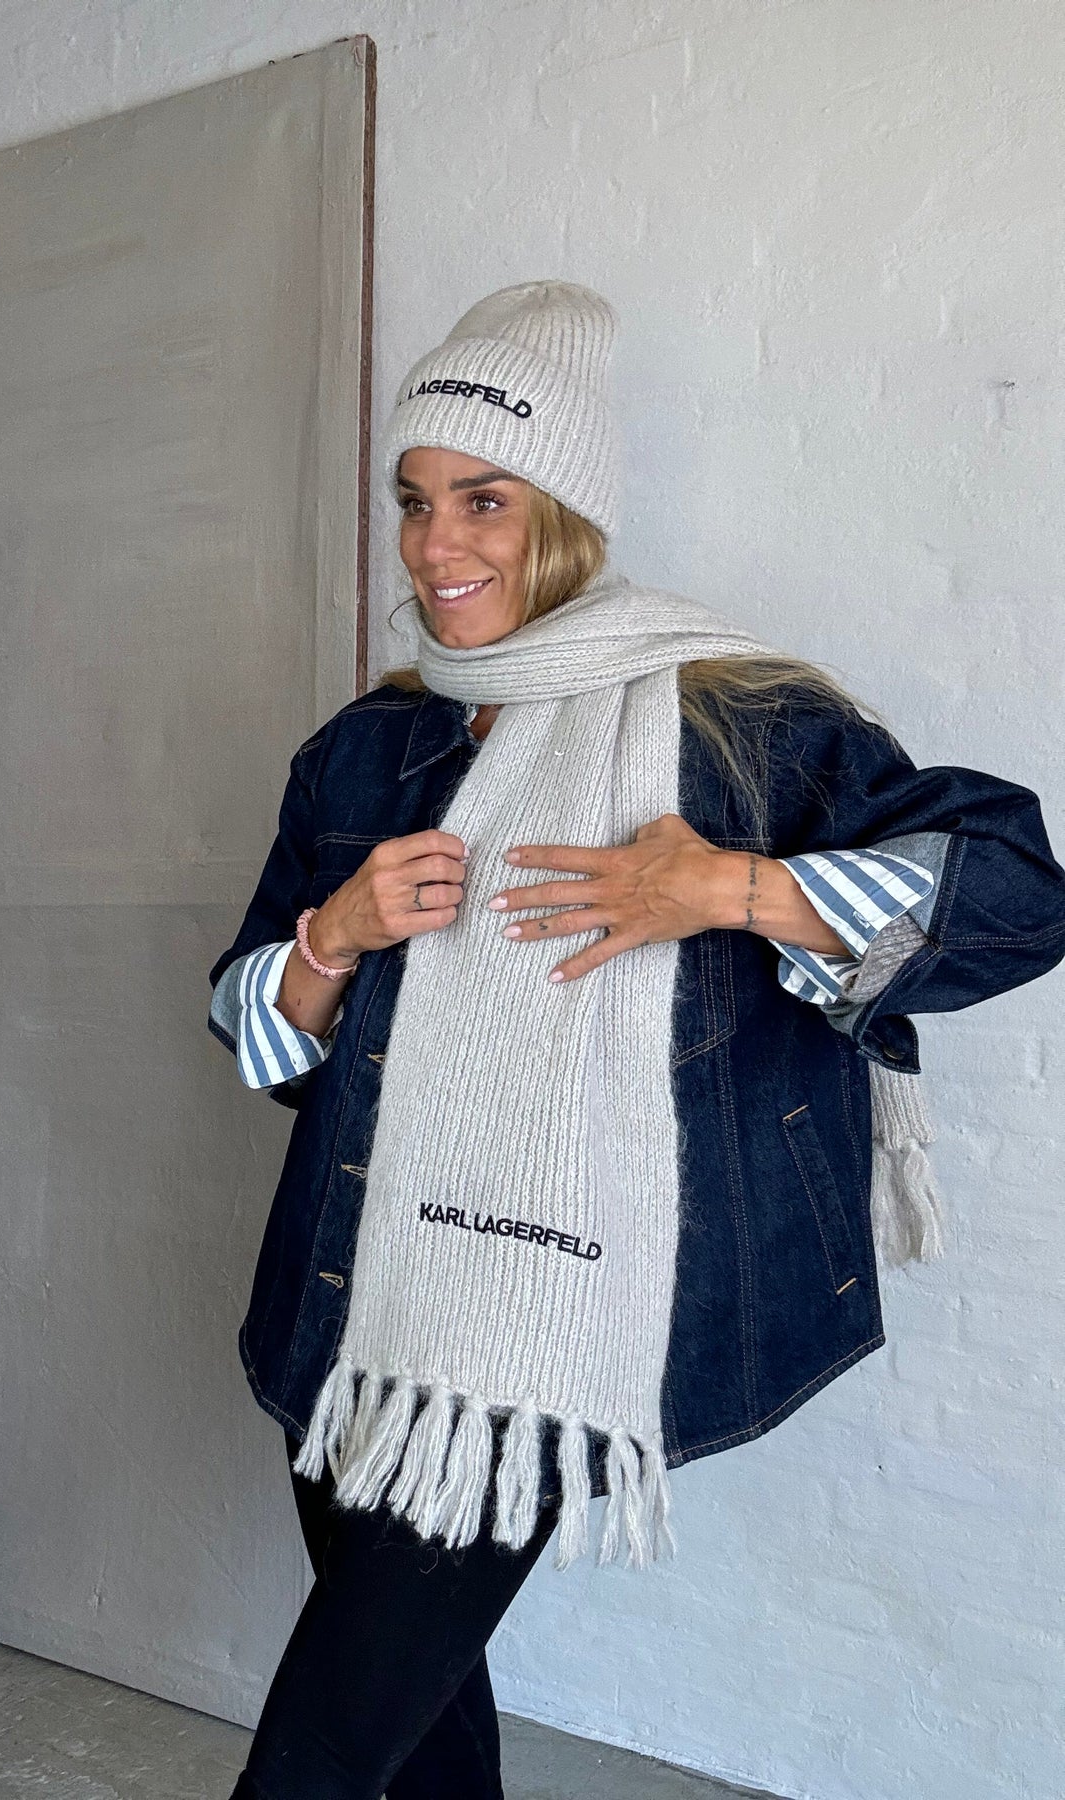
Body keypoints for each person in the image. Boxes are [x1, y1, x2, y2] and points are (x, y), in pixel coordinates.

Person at [206, 281, 1065, 1800]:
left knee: (322, 1753)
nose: (436, 543)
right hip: (358, 1298)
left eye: (484, 499)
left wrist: (733, 888)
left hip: (548, 1322)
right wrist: (332, 935)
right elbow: (253, 1032)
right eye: (413, 500)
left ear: (564, 517)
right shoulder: (365, 748)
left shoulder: (741, 722)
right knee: (414, 1721)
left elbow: (1016, 895)